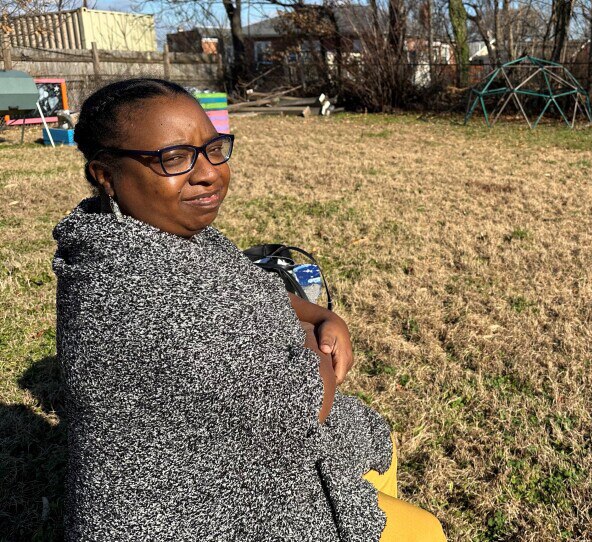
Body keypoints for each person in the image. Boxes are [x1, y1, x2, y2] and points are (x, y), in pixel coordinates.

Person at [53, 78, 446, 541]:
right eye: (174, 158)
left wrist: (319, 316)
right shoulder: (138, 292)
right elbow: (298, 409)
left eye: (213, 148)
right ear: (105, 174)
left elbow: (252, 284)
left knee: (373, 440)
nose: (209, 173)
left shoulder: (149, 232)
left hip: (221, 460)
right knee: (423, 531)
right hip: (200, 512)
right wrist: (310, 339)